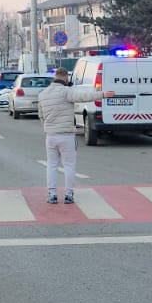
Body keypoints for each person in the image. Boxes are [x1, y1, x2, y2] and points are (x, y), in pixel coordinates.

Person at [37, 68, 114, 204]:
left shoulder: (42, 94)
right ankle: (69, 195)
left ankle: (52, 194)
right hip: (66, 135)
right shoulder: (66, 91)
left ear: (55, 77)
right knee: (69, 165)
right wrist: (103, 94)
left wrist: (48, 128)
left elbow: (41, 115)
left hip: (51, 136)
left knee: (52, 165)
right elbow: (84, 96)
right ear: (66, 78)